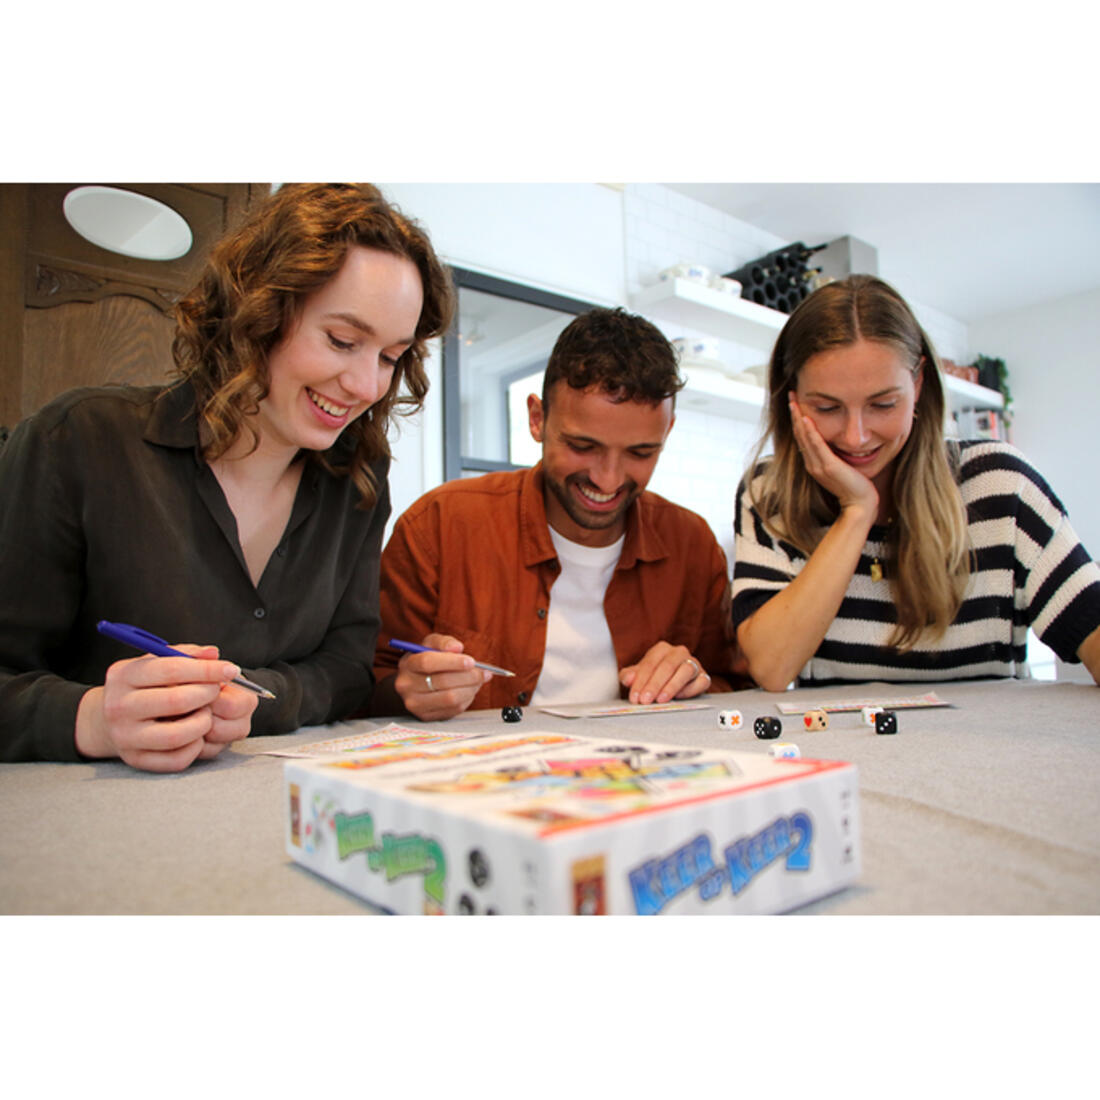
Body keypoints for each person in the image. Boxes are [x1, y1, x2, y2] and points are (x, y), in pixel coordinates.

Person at [0, 183, 454, 770]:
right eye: (342, 341)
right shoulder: (77, 440)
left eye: (390, 357)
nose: (367, 386)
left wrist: (252, 699)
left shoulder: (359, 478)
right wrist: (91, 718)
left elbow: (346, 670)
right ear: (256, 311)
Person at [372, 307, 743, 720]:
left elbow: (734, 687)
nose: (607, 480)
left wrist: (693, 680)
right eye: (583, 447)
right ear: (537, 419)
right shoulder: (440, 524)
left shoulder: (692, 545)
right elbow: (365, 682)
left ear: (666, 432)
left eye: (640, 453)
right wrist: (409, 691)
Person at [731, 273, 1100, 690]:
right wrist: (857, 512)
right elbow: (771, 667)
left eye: (883, 404)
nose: (856, 437)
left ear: (919, 384)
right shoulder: (769, 492)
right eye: (827, 408)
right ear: (792, 399)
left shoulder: (1001, 482)